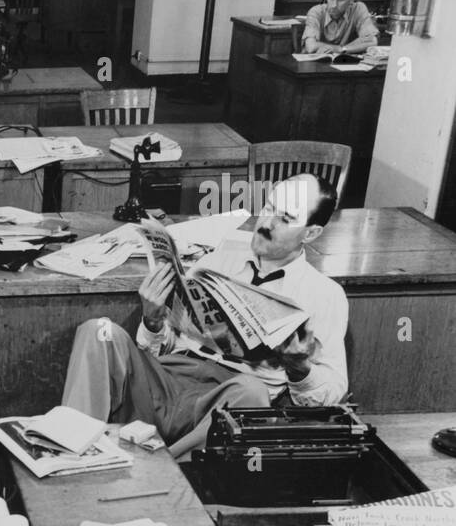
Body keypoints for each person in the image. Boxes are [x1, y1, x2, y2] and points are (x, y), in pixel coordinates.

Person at [60, 174, 348, 458]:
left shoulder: (324, 294)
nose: (266, 224)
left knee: (252, 392)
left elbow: (333, 392)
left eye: (285, 219)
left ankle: (165, 476)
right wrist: (153, 320)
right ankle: (71, 454)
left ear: (311, 233)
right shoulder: (217, 260)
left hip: (228, 397)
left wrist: (301, 368)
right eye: (269, 208)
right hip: (170, 379)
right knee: (97, 330)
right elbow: (164, 344)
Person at [302, 0, 379, 53]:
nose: (334, 5)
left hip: (346, 62)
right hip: (318, 62)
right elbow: (311, 46)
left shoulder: (358, 8)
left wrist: (341, 49)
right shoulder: (316, 11)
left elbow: (372, 41)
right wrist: (344, 48)